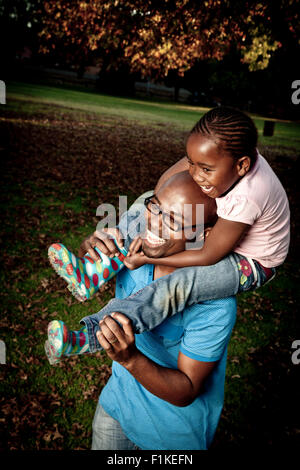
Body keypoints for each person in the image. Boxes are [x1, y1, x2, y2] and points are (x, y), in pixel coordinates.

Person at [92, 171, 237, 450]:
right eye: (155, 207)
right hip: (116, 409)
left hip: (171, 435)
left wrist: (130, 358)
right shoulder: (132, 254)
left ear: (202, 234)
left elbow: (187, 390)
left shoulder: (215, 305)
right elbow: (95, 268)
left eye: (173, 221)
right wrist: (92, 251)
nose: (154, 225)